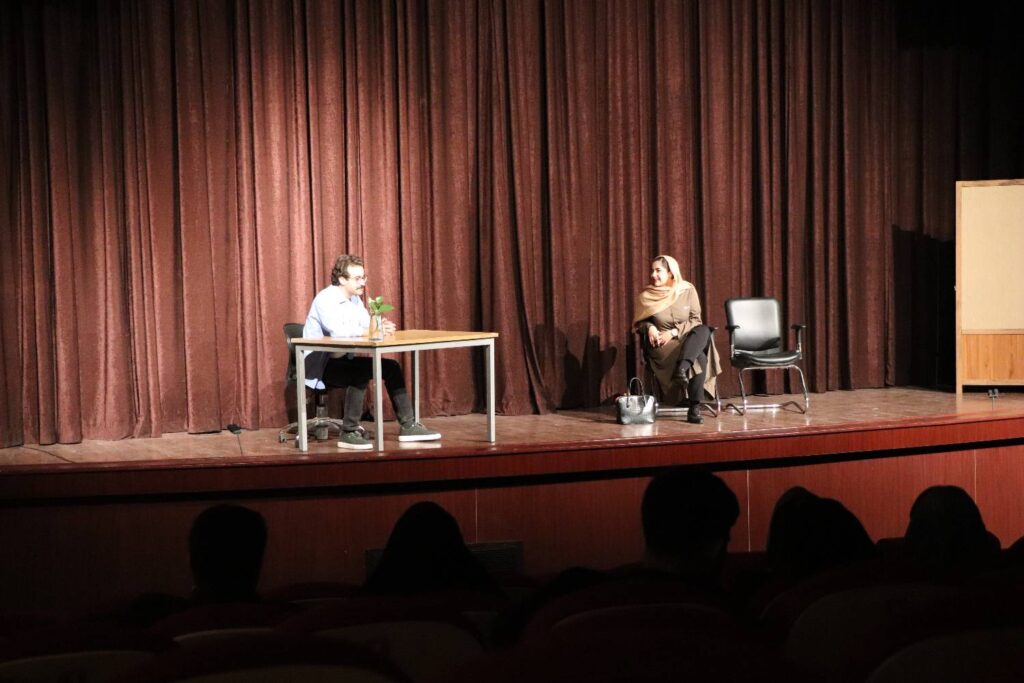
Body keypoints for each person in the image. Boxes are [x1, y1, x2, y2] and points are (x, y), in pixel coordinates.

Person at [304, 254, 440, 449]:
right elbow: (338, 331)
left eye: (364, 277)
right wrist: (371, 329)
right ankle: (348, 432)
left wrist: (381, 327)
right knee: (358, 373)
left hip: (343, 360)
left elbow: (367, 326)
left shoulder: (355, 300)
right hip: (321, 366)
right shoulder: (325, 299)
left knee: (391, 367)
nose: (363, 282)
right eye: (357, 278)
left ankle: (409, 425)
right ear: (342, 279)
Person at [633, 255, 720, 424]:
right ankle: (694, 407)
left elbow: (695, 320)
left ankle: (683, 368)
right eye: (652, 270)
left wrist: (673, 332)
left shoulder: (687, 290)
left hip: (687, 339)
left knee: (703, 330)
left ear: (671, 273)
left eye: (658, 271)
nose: (653, 275)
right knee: (699, 357)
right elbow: (640, 322)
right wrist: (649, 327)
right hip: (662, 345)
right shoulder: (647, 296)